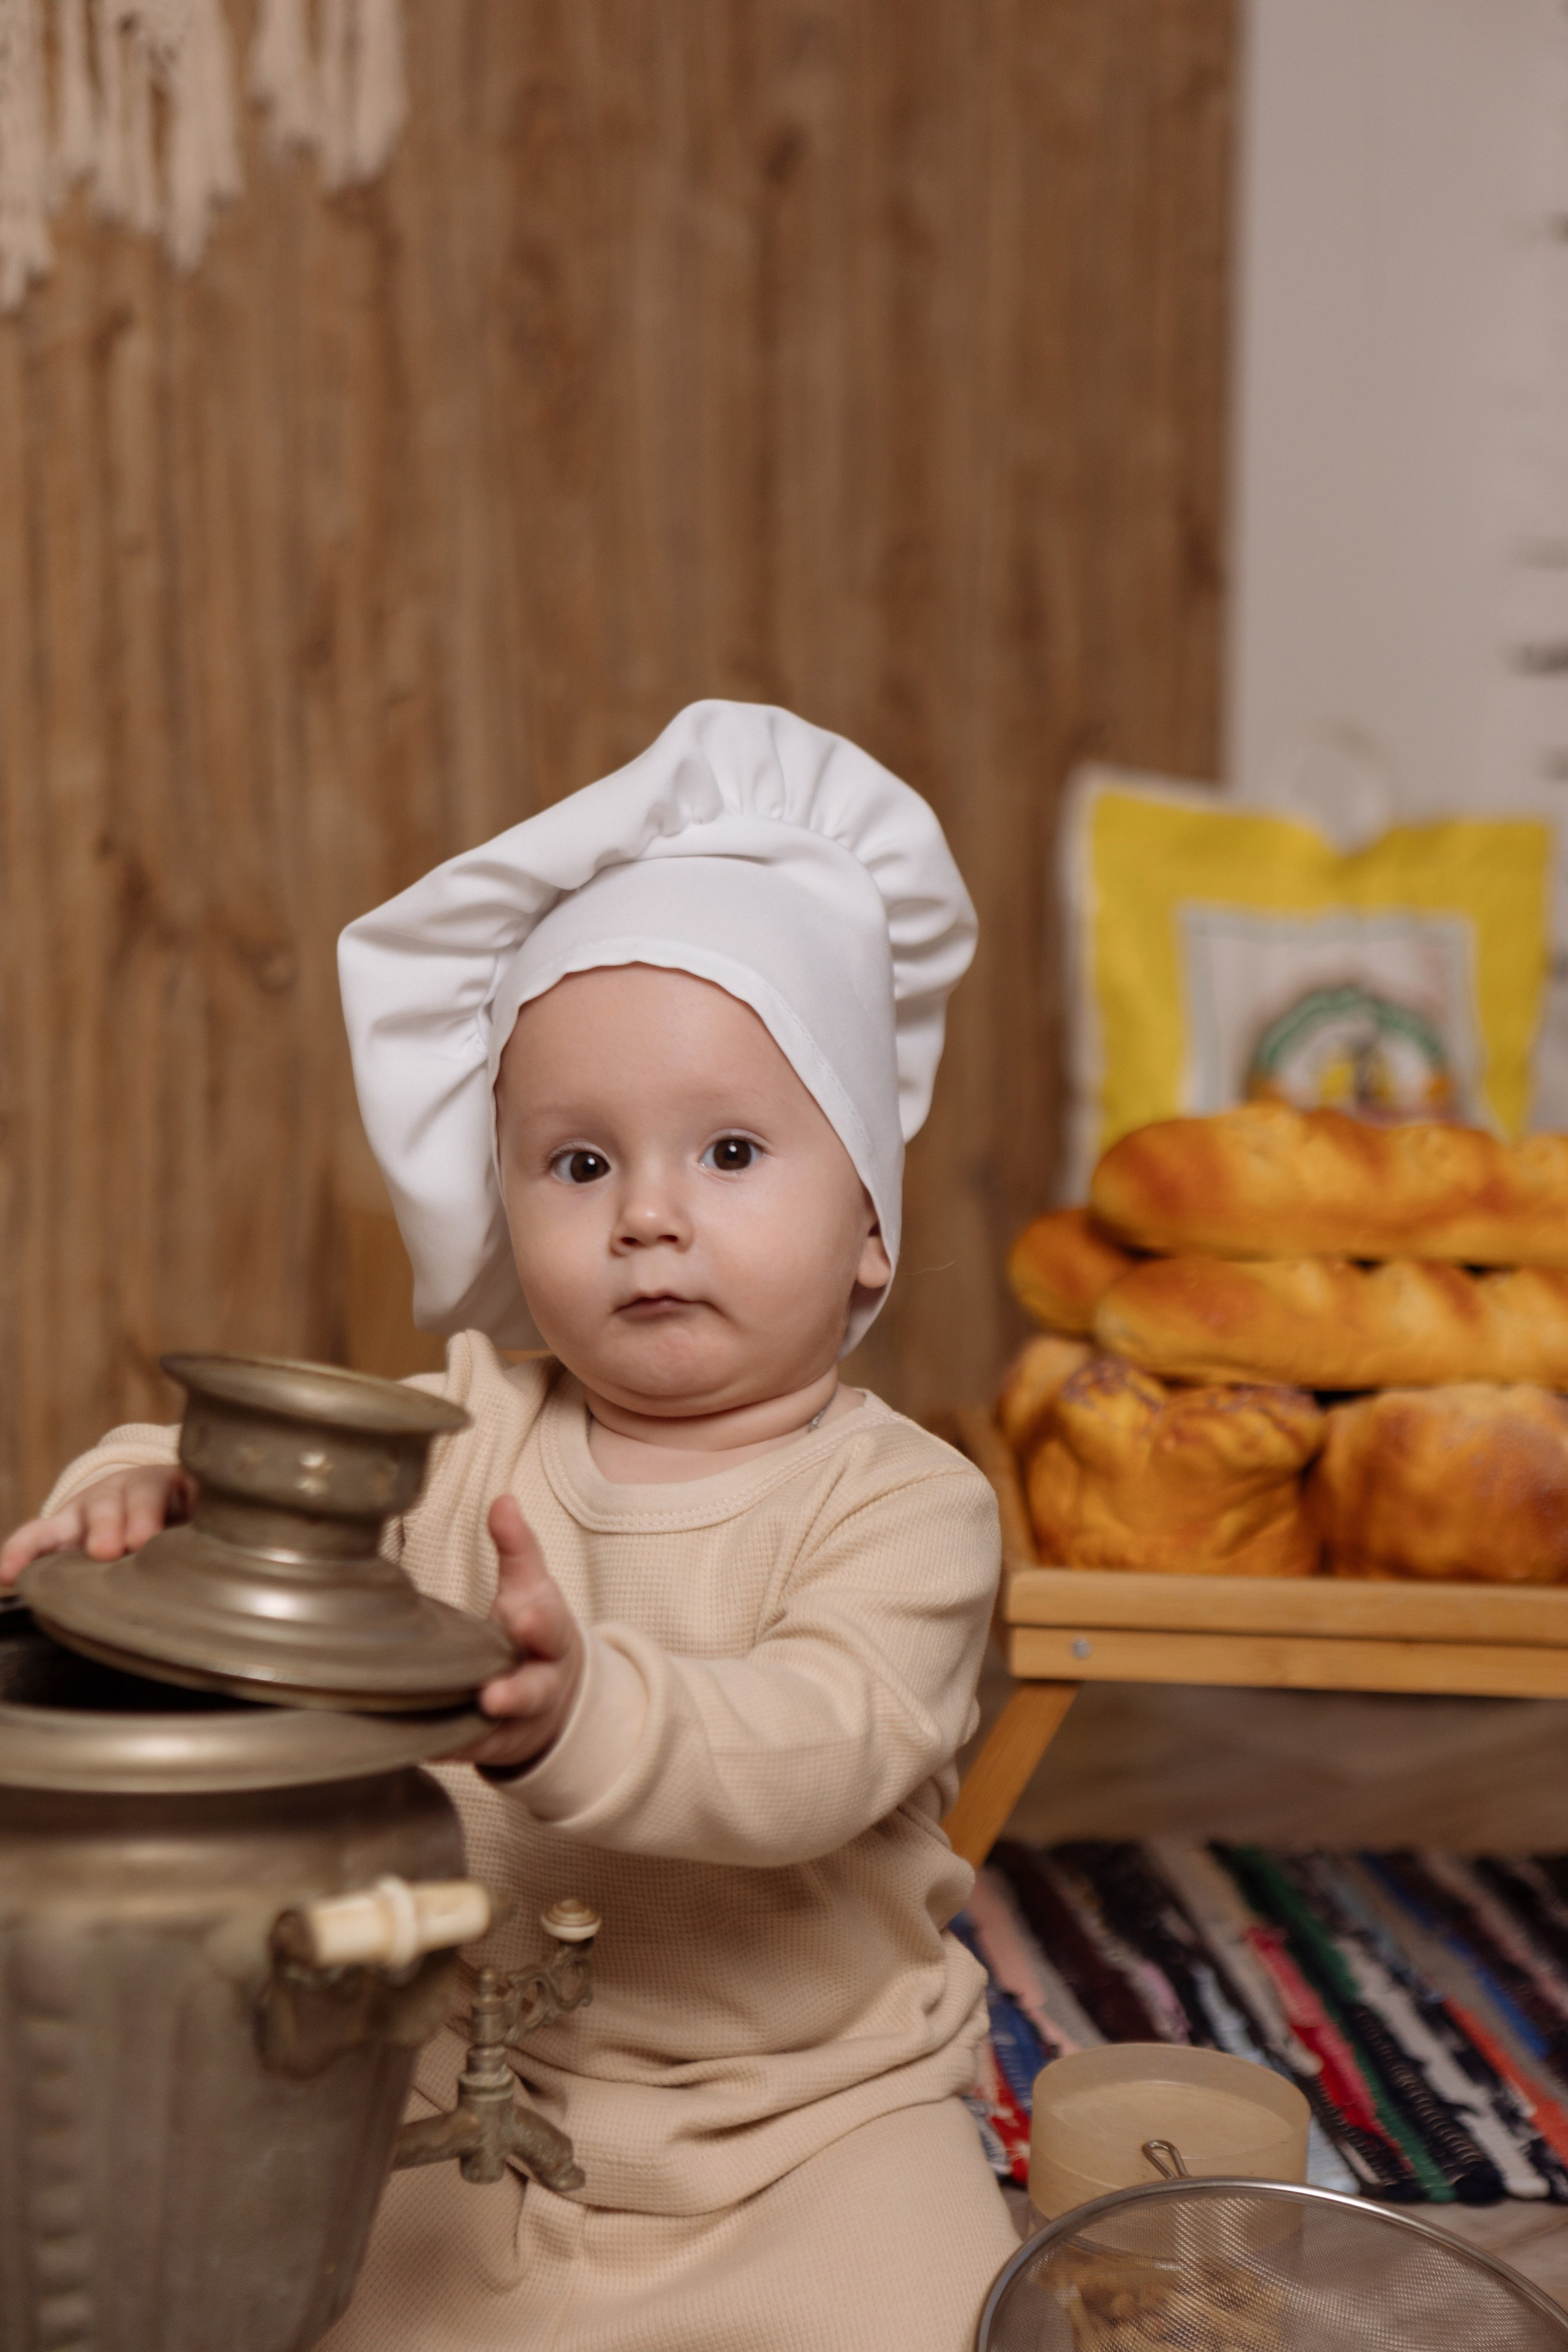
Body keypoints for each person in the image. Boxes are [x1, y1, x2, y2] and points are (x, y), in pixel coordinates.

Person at [1, 701, 1018, 2351]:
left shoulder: (908, 1504)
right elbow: (274, 1473)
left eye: (732, 1150)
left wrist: (583, 1711)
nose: (648, 1214)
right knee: (254, 2286)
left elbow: (818, 1741)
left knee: (946, 2321)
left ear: (871, 1230)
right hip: (467, 2080)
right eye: (577, 1162)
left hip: (813, 2126)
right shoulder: (470, 1429)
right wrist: (142, 1493)